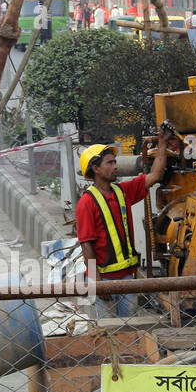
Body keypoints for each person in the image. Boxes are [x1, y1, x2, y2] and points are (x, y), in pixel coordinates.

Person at [76, 134, 170, 319]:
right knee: (110, 334)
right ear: (96, 168)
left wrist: (163, 143)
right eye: (109, 163)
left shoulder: (122, 192)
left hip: (127, 278)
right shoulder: (87, 202)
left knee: (128, 329)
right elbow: (86, 245)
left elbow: (156, 175)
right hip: (105, 280)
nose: (115, 166)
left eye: (114, 162)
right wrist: (97, 281)